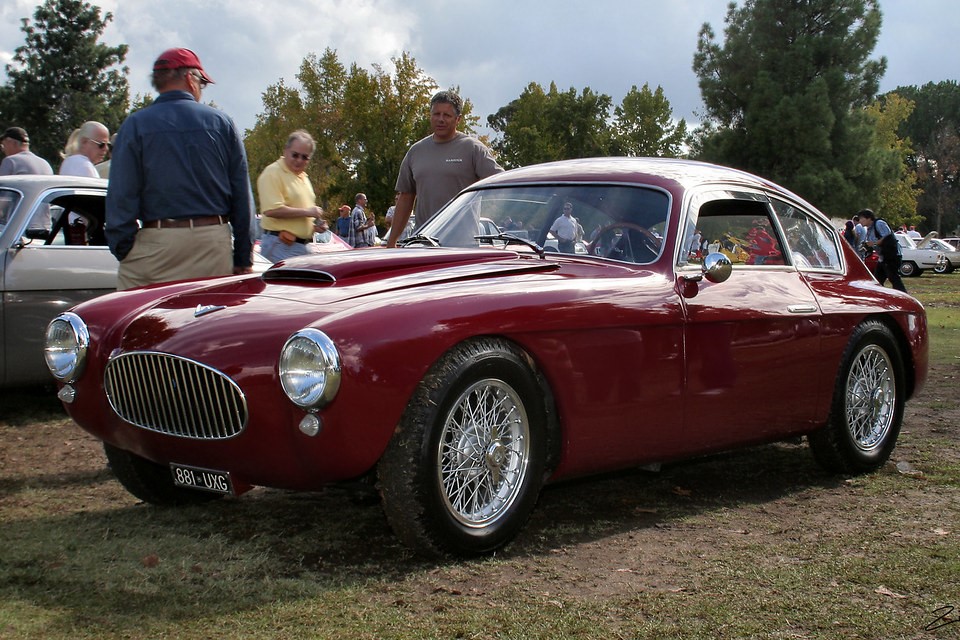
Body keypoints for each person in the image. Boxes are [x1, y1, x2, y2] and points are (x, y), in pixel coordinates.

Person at [105, 48, 254, 290]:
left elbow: (121, 195)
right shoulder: (221, 123)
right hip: (212, 242)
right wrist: (242, 256)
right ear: (190, 78)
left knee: (135, 320)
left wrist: (124, 248)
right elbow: (241, 196)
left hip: (156, 241)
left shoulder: (134, 125)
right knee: (208, 322)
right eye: (202, 84)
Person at [387, 90, 503, 247]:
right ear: (430, 115)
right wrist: (392, 241)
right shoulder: (416, 151)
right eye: (436, 114)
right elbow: (406, 197)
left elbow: (502, 183)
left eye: (446, 115)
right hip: (423, 244)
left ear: (458, 119)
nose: (440, 119)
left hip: (462, 246)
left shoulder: (473, 148)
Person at [257, 130, 324, 262]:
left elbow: (299, 218)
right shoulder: (273, 173)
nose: (299, 160)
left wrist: (315, 227)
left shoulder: (303, 177)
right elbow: (271, 210)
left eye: (305, 157)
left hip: (300, 247)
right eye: (295, 155)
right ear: (285, 151)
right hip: (280, 245)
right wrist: (309, 212)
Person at [859, 208, 906, 292]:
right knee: (877, 280)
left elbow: (887, 236)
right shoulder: (869, 230)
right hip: (882, 258)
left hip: (891, 256)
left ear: (869, 218)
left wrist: (874, 243)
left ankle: (903, 297)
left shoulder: (879, 223)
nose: (860, 221)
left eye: (862, 218)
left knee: (893, 278)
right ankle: (877, 297)